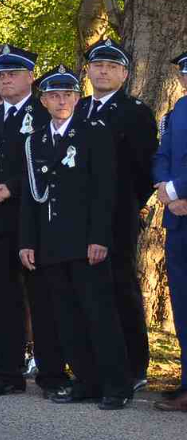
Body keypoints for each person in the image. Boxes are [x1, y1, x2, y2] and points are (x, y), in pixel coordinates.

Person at [19, 65, 131, 410]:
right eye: (54, 95)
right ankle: (86, 380)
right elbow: (30, 196)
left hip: (85, 241)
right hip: (51, 241)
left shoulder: (93, 132)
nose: (61, 100)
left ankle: (117, 386)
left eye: (67, 94)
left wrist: (99, 237)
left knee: (99, 314)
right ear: (44, 100)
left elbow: (104, 191)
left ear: (77, 98)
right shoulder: (36, 139)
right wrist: (27, 241)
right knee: (65, 316)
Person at [0, 45, 65, 396]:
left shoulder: (45, 112)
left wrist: (10, 189)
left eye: (12, 74)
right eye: (0, 75)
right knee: (1, 299)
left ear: (30, 77)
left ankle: (52, 375)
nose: (5, 80)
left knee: (43, 299)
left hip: (32, 222)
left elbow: (51, 163)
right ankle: (8, 373)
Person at [79, 39, 158, 390]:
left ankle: (134, 365)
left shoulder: (136, 112)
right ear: (89, 71)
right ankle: (93, 362)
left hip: (119, 215)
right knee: (85, 290)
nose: (104, 71)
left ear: (124, 74)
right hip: (78, 217)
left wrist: (129, 204)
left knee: (120, 288)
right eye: (98, 66)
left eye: (112, 67)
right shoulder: (77, 109)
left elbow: (144, 170)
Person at [153, 50, 187, 412]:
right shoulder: (177, 111)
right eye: (184, 73)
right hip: (178, 218)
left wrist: (176, 190)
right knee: (183, 305)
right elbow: (161, 154)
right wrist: (165, 190)